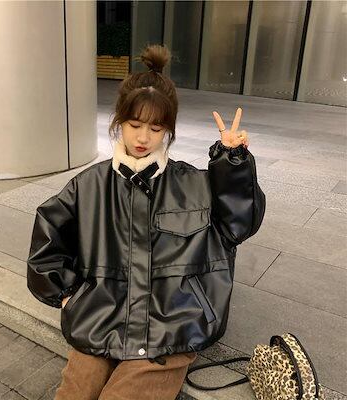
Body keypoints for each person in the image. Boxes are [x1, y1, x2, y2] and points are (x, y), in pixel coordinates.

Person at [26, 43, 266, 400]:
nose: (143, 137)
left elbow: (237, 225)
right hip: (100, 316)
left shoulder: (193, 184)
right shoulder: (89, 186)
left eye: (155, 127)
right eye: (134, 124)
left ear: (168, 129)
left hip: (172, 326)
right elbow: (48, 237)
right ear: (118, 122)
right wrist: (66, 294)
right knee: (74, 393)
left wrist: (232, 165)